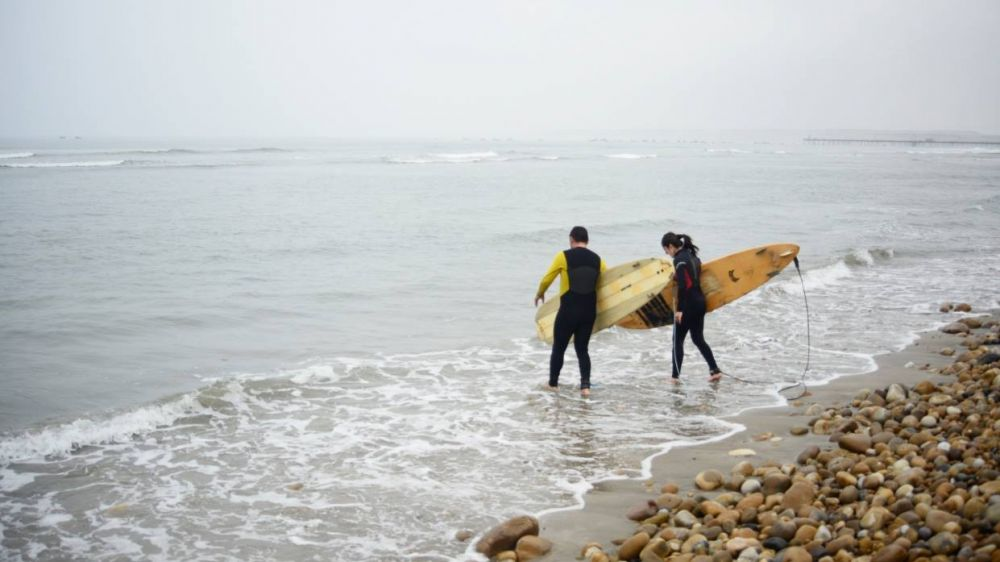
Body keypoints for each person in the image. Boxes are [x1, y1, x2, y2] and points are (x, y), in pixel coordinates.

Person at [535, 226, 606, 397]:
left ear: (571, 239)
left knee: (559, 348)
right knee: (582, 350)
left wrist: (540, 293)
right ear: (587, 240)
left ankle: (553, 384)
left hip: (569, 311)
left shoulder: (563, 256)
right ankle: (585, 387)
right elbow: (607, 282)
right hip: (589, 312)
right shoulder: (598, 259)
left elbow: (547, 279)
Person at [662, 232, 723, 384]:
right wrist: (677, 276)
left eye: (666, 250)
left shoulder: (679, 260)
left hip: (688, 305)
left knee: (677, 341)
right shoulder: (693, 256)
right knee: (698, 339)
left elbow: (684, 287)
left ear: (671, 246)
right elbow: (692, 277)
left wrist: (680, 310)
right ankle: (714, 370)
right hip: (700, 302)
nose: (667, 253)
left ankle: (674, 377)